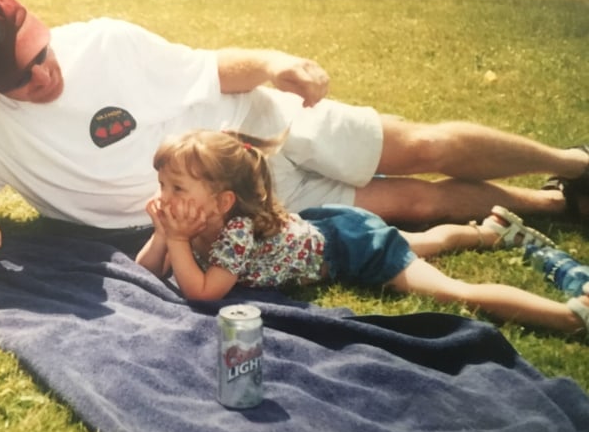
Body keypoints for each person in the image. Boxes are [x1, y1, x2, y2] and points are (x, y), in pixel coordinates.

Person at [0, 0, 589, 277]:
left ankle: (574, 161)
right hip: (238, 208)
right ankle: (554, 204)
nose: (46, 74)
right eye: (24, 77)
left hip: (265, 132)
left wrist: (273, 62)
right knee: (410, 202)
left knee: (422, 146)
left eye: (44, 50)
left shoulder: (107, 42)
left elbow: (210, 69)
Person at [135, 129, 588, 335]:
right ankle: (486, 232)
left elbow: (204, 294)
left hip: (351, 246)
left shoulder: (234, 232)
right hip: (325, 226)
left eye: (177, 187)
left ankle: (571, 315)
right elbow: (148, 273)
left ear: (222, 201)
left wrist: (175, 241)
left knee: (450, 291)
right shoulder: (192, 221)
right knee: (419, 242)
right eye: (163, 185)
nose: (166, 196)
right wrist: (162, 234)